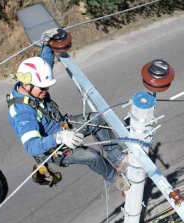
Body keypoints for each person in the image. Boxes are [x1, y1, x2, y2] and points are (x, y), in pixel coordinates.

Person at [7, 28, 129, 191]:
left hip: (63, 128)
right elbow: (31, 146)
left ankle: (117, 158)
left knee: (96, 119)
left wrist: (46, 44)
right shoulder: (22, 112)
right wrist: (59, 138)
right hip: (53, 148)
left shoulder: (35, 84)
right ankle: (115, 178)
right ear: (26, 85)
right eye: (42, 89)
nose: (46, 92)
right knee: (92, 156)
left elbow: (45, 63)